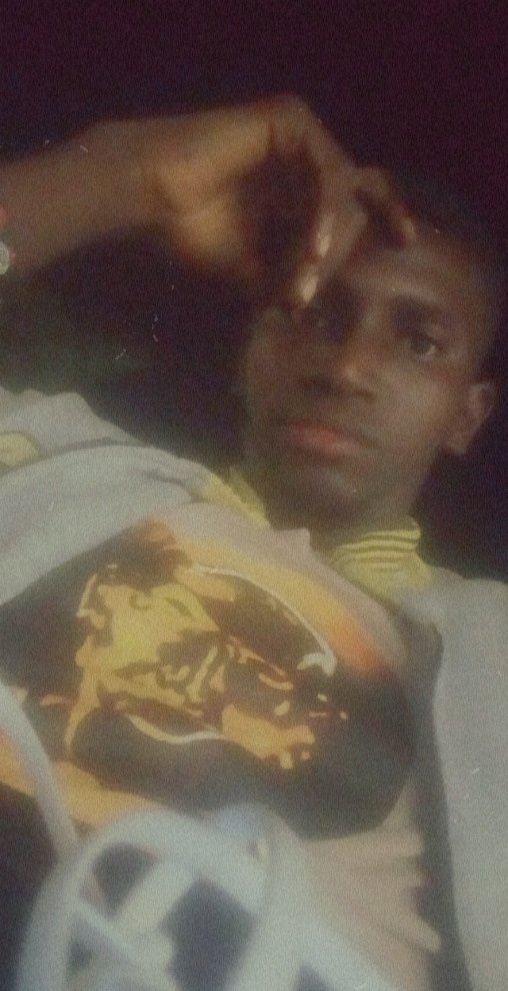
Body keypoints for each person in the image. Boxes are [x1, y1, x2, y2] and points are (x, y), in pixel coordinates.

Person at [0, 96, 506, 991]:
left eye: (419, 340)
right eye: (313, 313)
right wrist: (133, 175)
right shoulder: (54, 456)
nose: (346, 368)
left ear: (468, 413)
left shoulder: (493, 653)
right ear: (250, 348)